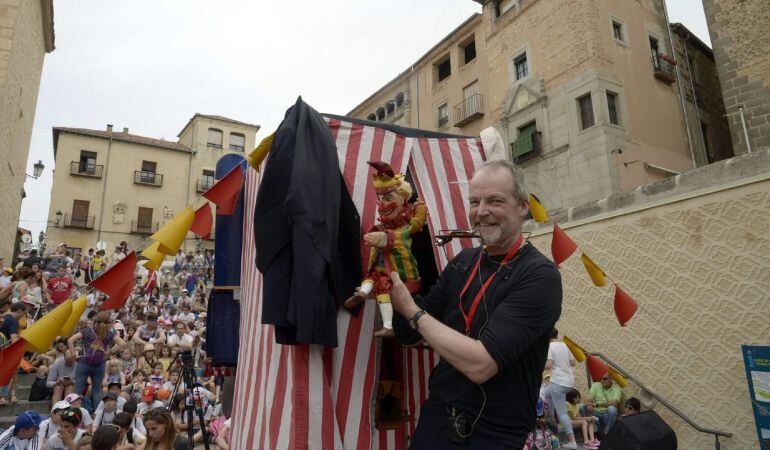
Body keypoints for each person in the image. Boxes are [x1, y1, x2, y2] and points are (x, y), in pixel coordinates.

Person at [387, 160, 562, 449]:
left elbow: (481, 364)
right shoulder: (463, 263)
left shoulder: (539, 276)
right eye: (474, 201)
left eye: (495, 201)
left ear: (522, 206)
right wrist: (393, 275)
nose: (481, 212)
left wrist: (411, 310)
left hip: (493, 435)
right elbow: (412, 333)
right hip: (436, 421)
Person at [68, 311, 126, 407]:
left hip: (83, 363)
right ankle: (97, 415)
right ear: (109, 323)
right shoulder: (109, 334)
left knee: (77, 391)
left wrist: (74, 354)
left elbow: (70, 340)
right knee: (97, 391)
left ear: (95, 321)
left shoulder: (87, 331)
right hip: (99, 365)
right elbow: (122, 343)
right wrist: (109, 352)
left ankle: (72, 413)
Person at [543, 328, 578, 448]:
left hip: (558, 382)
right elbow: (573, 363)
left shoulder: (550, 347)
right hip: (569, 382)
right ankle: (550, 418)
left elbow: (549, 365)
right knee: (546, 394)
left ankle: (572, 441)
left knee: (562, 413)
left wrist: (539, 362)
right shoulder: (564, 345)